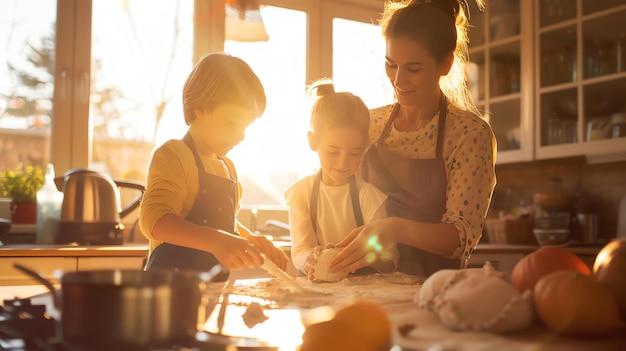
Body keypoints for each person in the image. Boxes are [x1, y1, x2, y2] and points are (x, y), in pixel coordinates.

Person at [330, 0, 497, 277]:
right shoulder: (369, 123)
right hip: (359, 288)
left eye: (414, 68)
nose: (398, 80)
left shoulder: (469, 135)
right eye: (391, 64)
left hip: (431, 290)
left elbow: (460, 237)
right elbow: (334, 192)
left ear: (445, 63)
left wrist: (393, 228)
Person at [140, 52, 289, 280]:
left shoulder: (227, 166)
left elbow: (225, 225)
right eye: (232, 123)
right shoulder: (174, 154)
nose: (241, 136)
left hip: (210, 290)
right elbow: (155, 220)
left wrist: (250, 240)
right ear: (201, 108)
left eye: (246, 126)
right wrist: (217, 240)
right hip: (168, 291)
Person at [284, 80, 398, 280]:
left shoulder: (369, 196)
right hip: (315, 290)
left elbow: (390, 259)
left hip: (363, 295)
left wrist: (370, 254)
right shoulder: (301, 193)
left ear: (364, 147)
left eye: (354, 153)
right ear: (313, 142)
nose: (343, 162)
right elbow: (300, 249)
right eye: (333, 151)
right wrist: (309, 260)